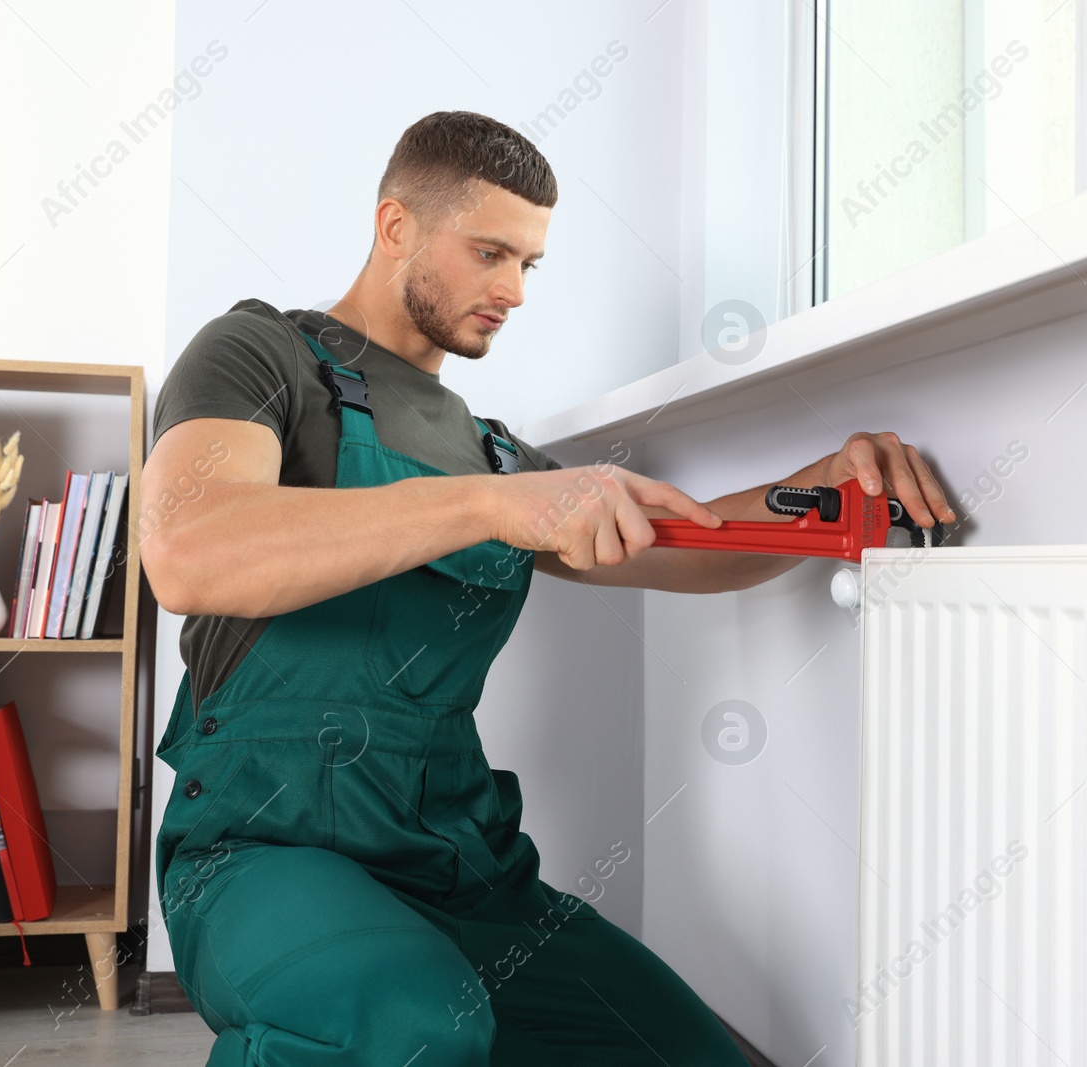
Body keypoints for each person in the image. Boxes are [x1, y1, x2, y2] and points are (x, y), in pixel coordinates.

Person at [141, 110, 955, 1067]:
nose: (514, 290)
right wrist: (494, 506)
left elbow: (687, 545)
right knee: (411, 1024)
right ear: (395, 225)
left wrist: (829, 483)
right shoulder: (260, 356)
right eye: (491, 253)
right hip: (262, 853)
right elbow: (188, 549)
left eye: (530, 263)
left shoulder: (488, 448)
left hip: (460, 866)